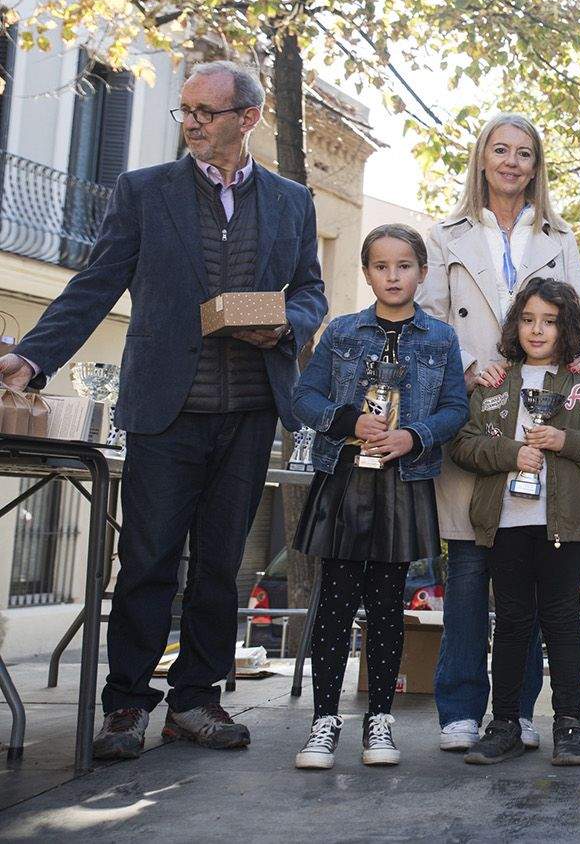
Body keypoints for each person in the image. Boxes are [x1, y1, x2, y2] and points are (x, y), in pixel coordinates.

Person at [0, 60, 327, 759]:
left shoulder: (293, 201)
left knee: (219, 567)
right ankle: (125, 705)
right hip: (163, 409)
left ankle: (197, 701)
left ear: (248, 118)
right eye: (185, 111)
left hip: (248, 412)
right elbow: (96, 283)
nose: (191, 123)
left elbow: (311, 290)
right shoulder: (144, 191)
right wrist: (31, 358)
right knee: (146, 561)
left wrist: (287, 324)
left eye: (205, 112)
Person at [418, 112, 580, 754]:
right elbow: (431, 319)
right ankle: (462, 708)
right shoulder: (444, 236)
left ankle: (519, 712)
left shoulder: (559, 236)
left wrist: (579, 369)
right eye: (501, 150)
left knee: (530, 572)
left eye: (525, 153)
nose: (512, 162)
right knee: (469, 565)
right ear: (482, 157)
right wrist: (468, 370)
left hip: (541, 416)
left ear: (536, 165)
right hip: (476, 410)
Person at [289, 225, 469, 770]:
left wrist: (413, 435)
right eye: (381, 267)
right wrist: (347, 421)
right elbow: (304, 395)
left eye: (404, 266)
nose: (393, 276)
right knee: (336, 603)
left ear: (422, 272)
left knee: (390, 605)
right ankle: (324, 721)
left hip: (403, 480)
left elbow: (456, 408)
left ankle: (380, 722)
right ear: (366, 273)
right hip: (345, 478)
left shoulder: (440, 338)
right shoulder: (341, 332)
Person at [449, 278, 580, 768]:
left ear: (566, 328)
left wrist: (563, 440)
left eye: (549, 322)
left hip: (566, 525)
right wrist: (511, 453)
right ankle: (505, 722)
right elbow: (463, 445)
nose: (537, 330)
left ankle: (569, 724)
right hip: (505, 522)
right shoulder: (496, 380)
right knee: (510, 622)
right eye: (528, 319)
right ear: (516, 325)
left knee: (561, 622)